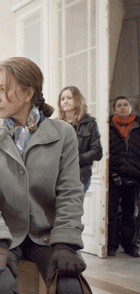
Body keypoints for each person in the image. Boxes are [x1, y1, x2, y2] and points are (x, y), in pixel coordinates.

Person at [0, 57, 86, 294]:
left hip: (46, 235)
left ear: (28, 93)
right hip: (3, 233)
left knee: (71, 292)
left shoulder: (63, 133)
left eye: (2, 89)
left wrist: (66, 242)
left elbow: (70, 192)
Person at [108, 96, 140, 258]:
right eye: (119, 105)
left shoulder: (138, 126)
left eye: (125, 105)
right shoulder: (107, 127)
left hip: (134, 176)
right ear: (114, 109)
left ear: (130, 108)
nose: (122, 107)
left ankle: (130, 246)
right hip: (113, 175)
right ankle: (111, 245)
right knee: (111, 213)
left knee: (130, 213)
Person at [57, 86, 102, 195]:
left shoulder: (90, 123)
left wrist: (76, 159)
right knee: (56, 211)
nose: (65, 101)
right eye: (62, 99)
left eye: (69, 98)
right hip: (58, 177)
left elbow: (97, 152)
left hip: (80, 177)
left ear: (77, 100)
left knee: (73, 211)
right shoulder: (55, 124)